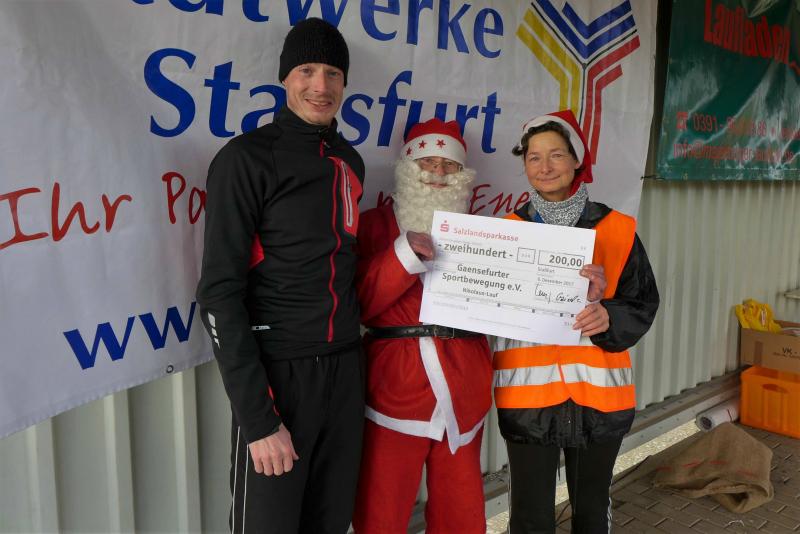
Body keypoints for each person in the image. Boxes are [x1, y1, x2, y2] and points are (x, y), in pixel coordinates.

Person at [196, 18, 365, 534]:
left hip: (346, 371)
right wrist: (259, 419)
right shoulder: (246, 159)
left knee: (330, 523)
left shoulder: (350, 161)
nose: (321, 86)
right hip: (281, 377)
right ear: (285, 77)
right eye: (307, 70)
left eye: (332, 73)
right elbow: (218, 293)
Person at [493, 110, 659, 533]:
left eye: (556, 155)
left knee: (590, 513)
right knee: (530, 518)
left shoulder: (618, 229)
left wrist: (608, 314)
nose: (545, 167)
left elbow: (643, 303)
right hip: (528, 398)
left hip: (599, 396)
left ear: (576, 161)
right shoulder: (504, 233)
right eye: (533, 157)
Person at [352, 118, 493, 533]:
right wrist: (402, 255)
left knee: (461, 513)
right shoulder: (372, 226)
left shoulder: (484, 234)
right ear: (407, 167)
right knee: (382, 511)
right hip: (393, 387)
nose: (437, 172)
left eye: (449, 165)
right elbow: (360, 304)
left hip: (464, 386)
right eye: (428, 162)